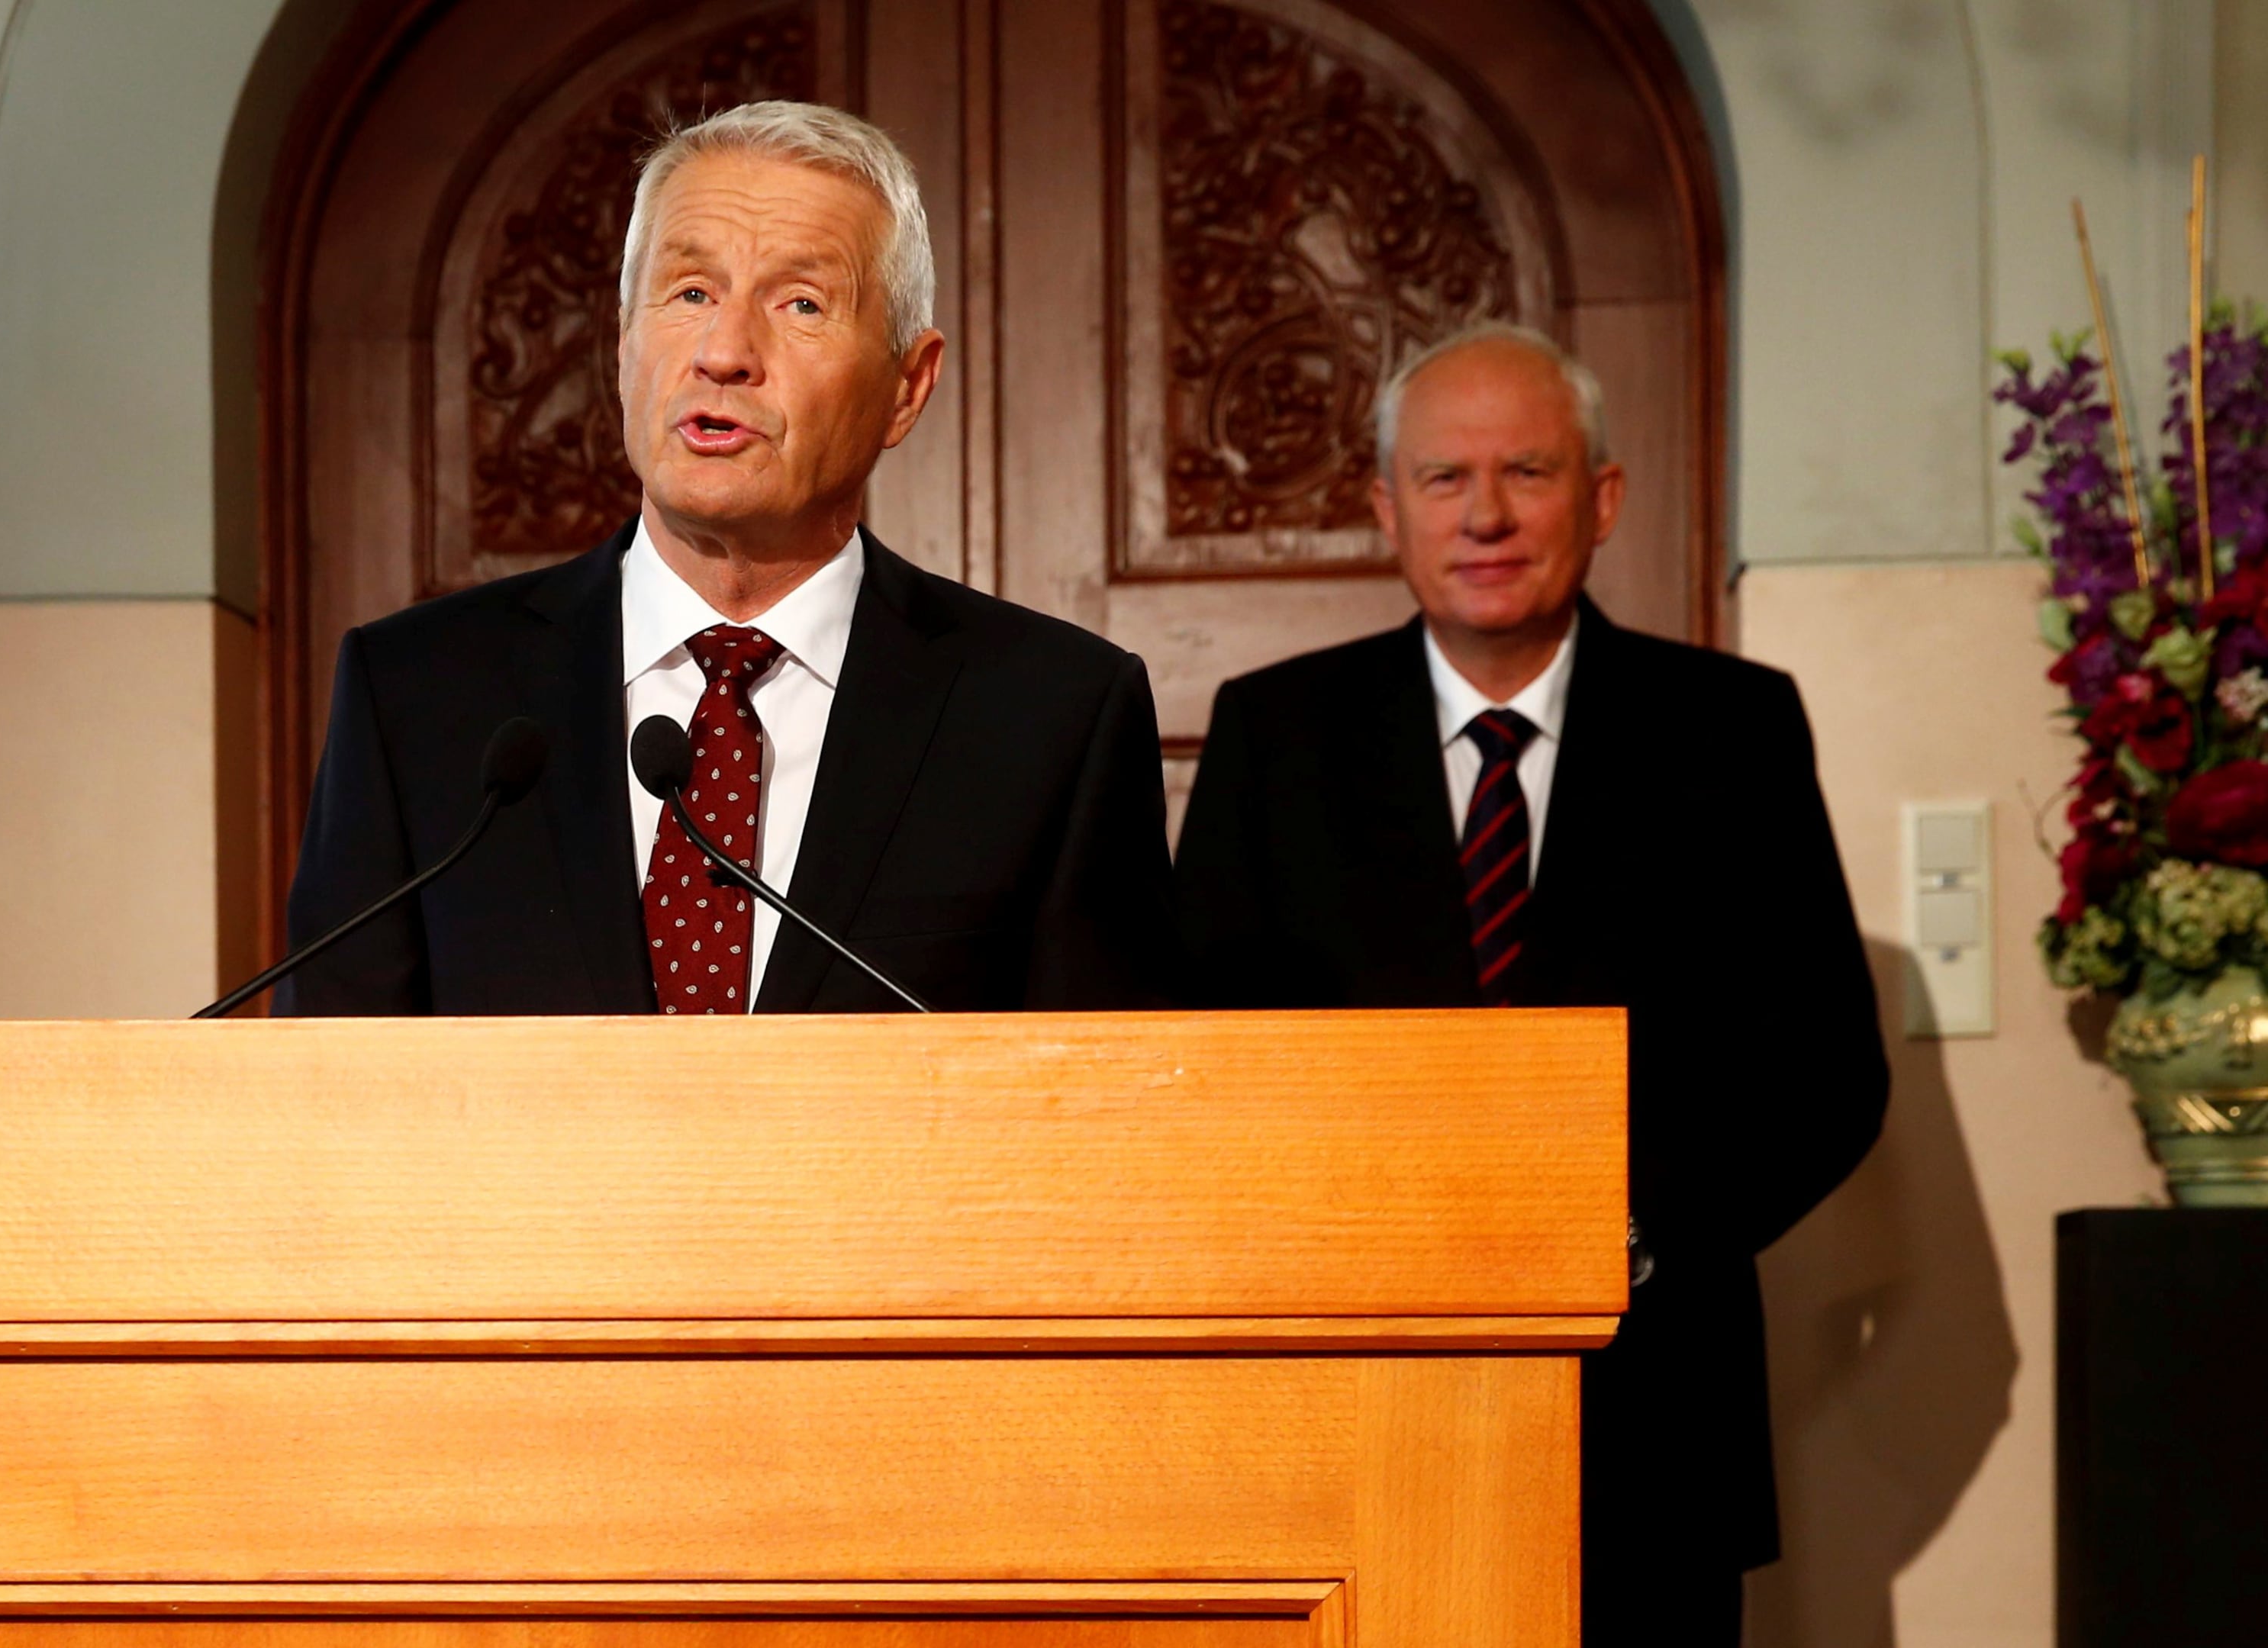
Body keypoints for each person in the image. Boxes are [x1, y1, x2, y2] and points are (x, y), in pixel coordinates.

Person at [1174, 323, 1888, 1644]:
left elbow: (1826, 1071)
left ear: (1604, 500)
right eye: (1445, 480)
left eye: (1529, 473)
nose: (1486, 516)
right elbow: (1208, 1063)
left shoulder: (1733, 730)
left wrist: (1625, 1235)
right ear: (1388, 510)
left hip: (1651, 1419)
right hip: (1352, 1408)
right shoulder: (1276, 735)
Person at [279, 101, 1177, 1016]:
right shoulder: (416, 695)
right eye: (691, 294)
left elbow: (1110, 1116)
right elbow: (329, 1099)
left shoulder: (1054, 719)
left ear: (908, 388)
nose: (724, 353)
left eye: (800, 304)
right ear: (626, 342)